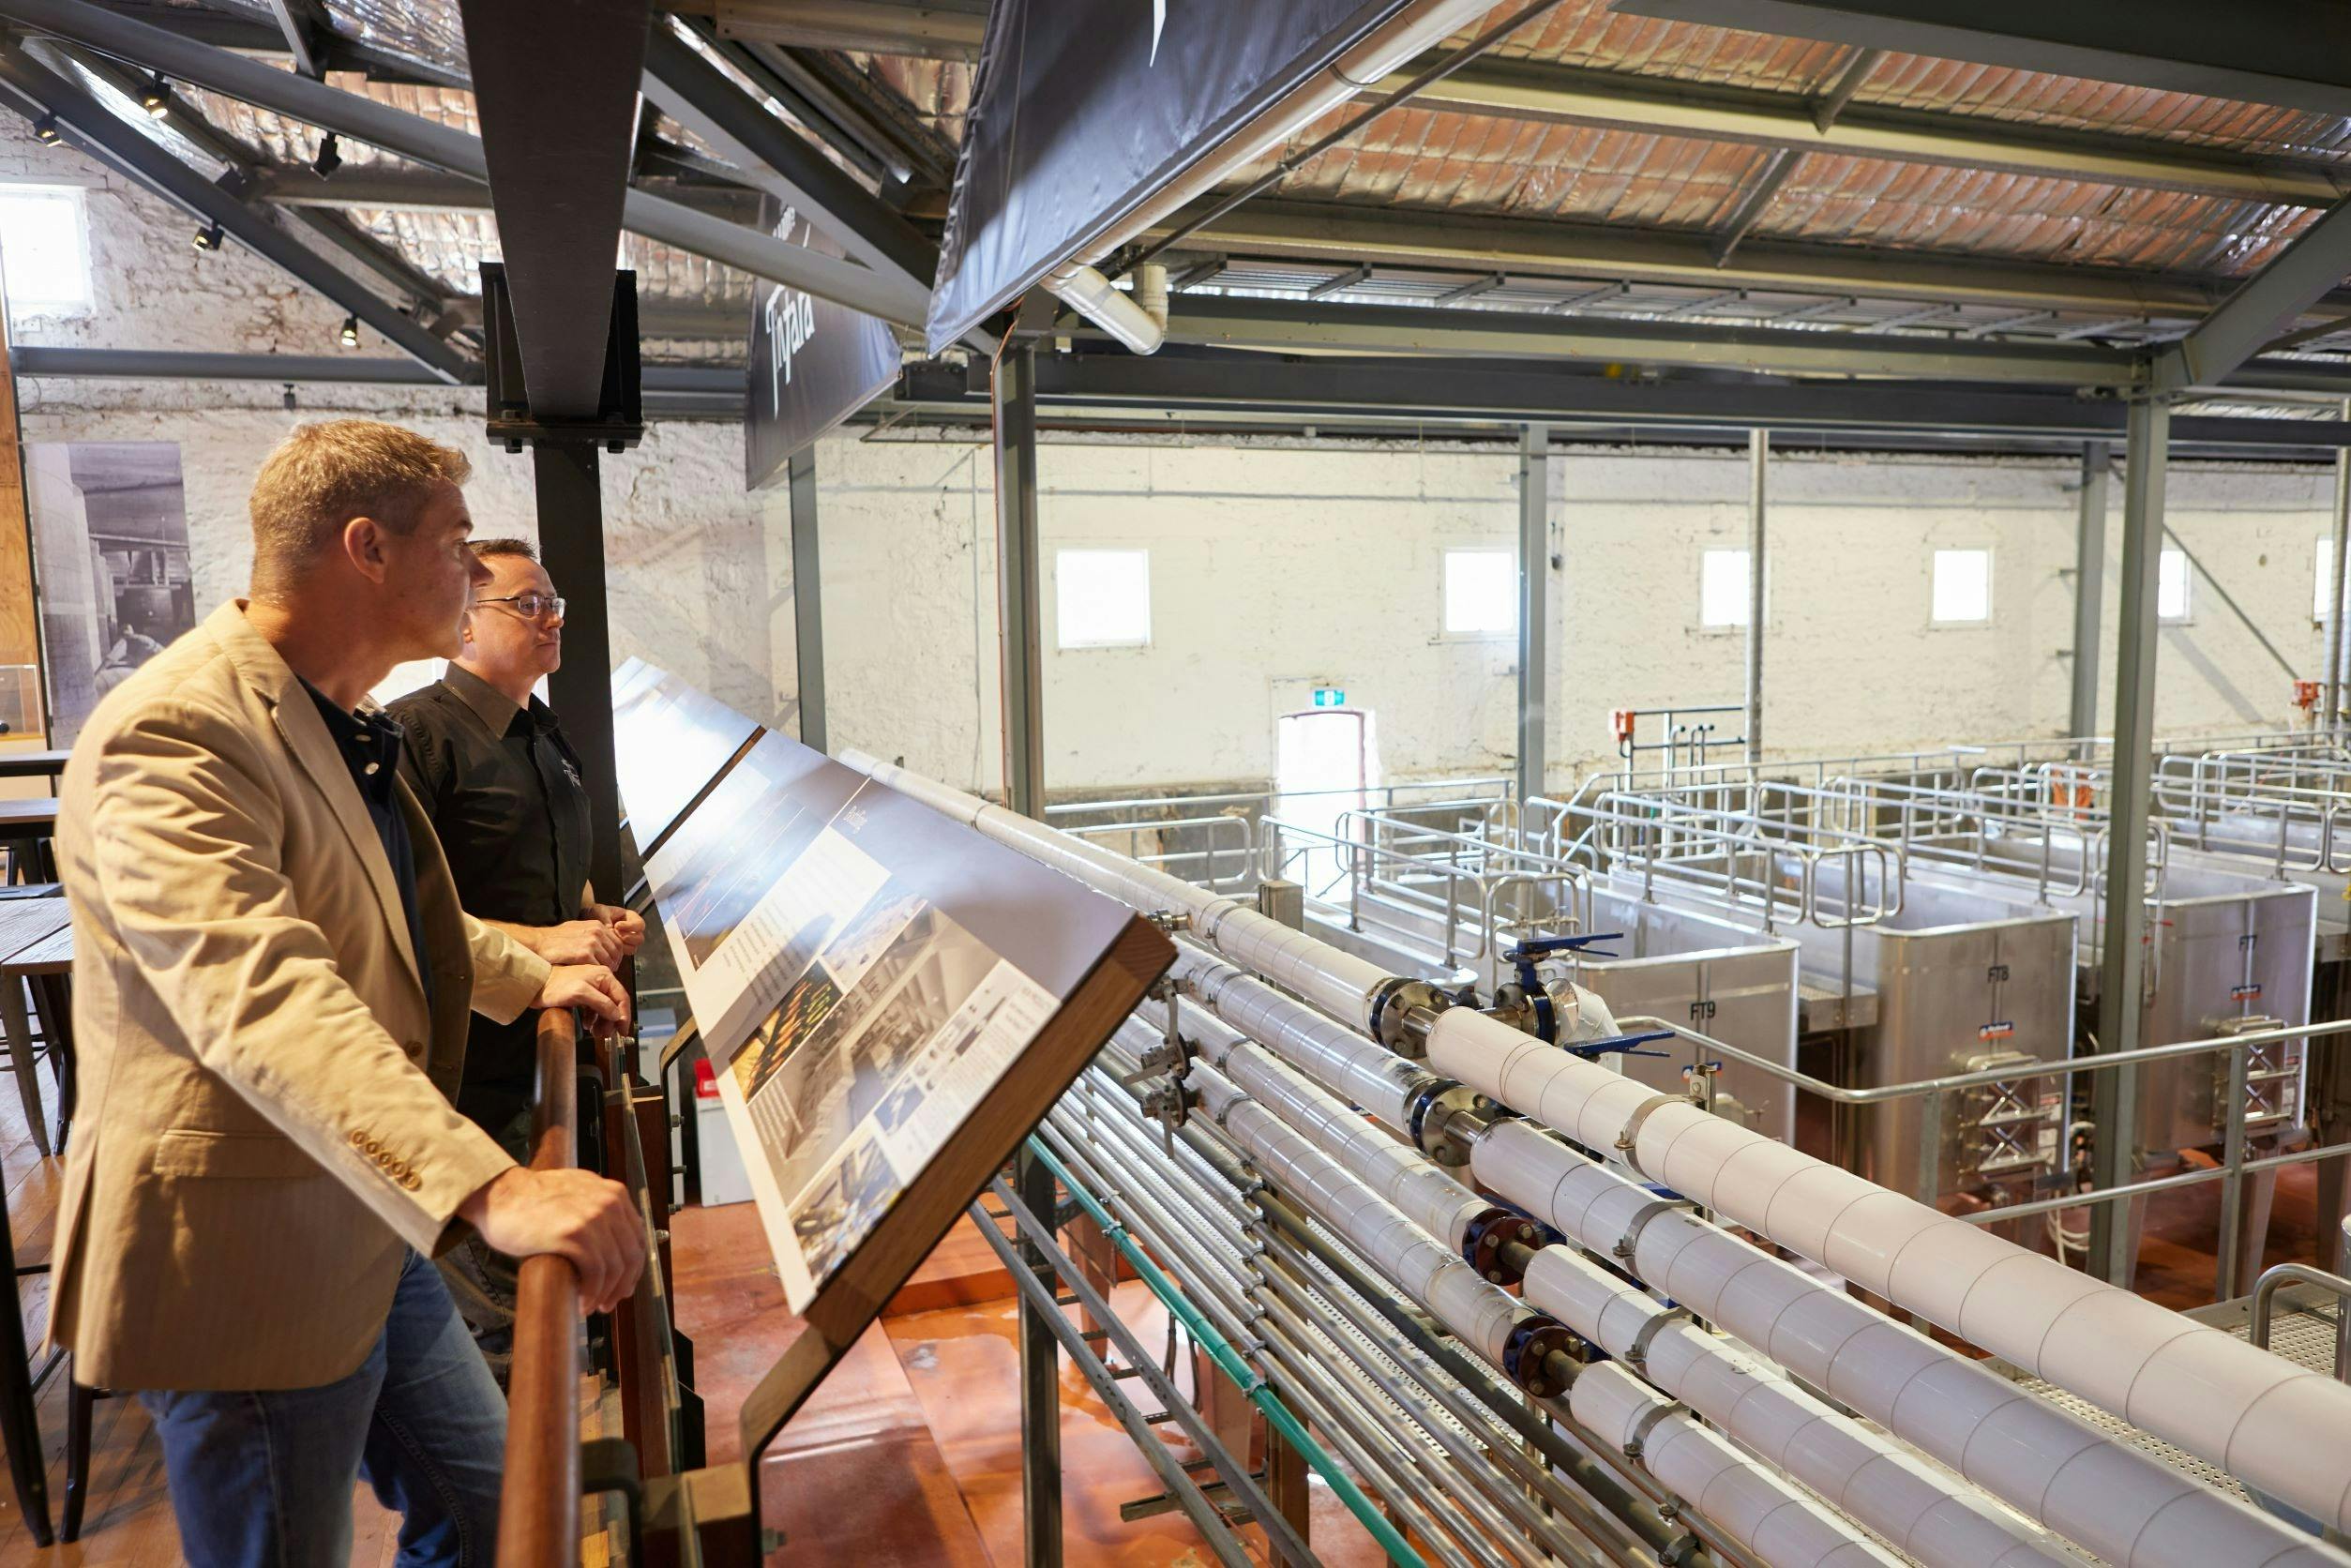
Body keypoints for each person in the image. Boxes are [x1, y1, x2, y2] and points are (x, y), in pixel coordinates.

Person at [52, 419, 649, 1567]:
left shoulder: (332, 711)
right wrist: (489, 1186)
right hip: (248, 1255)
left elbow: (392, 917)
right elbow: (260, 993)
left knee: (487, 1512)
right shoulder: (179, 731)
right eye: (457, 545)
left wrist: (533, 975)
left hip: (362, 1222)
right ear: (366, 548)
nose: (473, 577)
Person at [389, 537, 646, 1375]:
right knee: (503, 1322)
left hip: (545, 1046)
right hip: (473, 1066)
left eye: (553, 603)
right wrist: (543, 944)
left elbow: (538, 856)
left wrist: (587, 912)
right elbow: (403, 910)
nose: (549, 619)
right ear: (462, 626)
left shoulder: (536, 726)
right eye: (525, 604)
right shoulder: (415, 737)